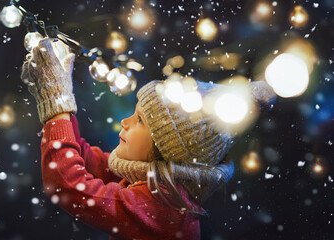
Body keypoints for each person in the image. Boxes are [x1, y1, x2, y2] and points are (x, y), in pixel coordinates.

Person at [20, 38, 275, 240]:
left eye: (140, 120)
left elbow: (68, 186)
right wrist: (57, 103)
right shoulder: (157, 184)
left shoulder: (165, 209)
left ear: (168, 148)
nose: (126, 122)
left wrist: (58, 108)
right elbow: (86, 161)